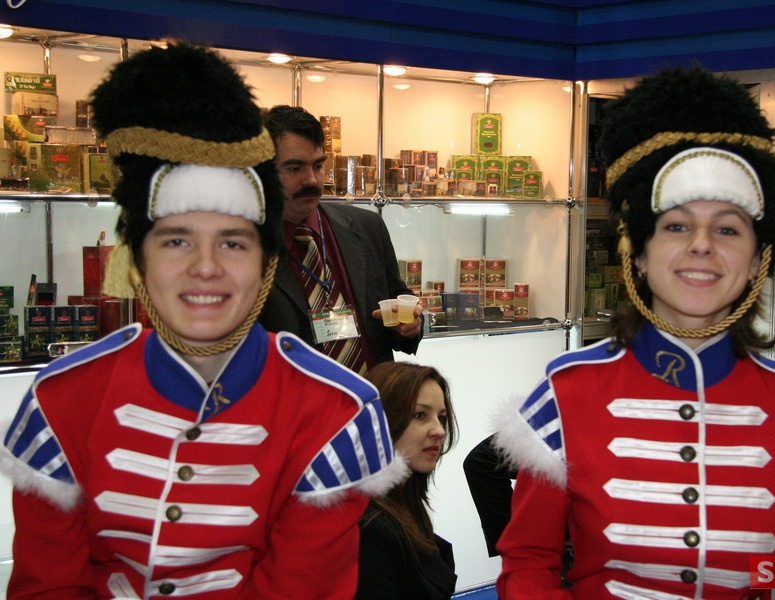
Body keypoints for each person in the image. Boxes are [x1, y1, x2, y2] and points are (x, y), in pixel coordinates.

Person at [0, 44, 405, 599]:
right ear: (137, 261)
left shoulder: (337, 415)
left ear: (266, 263)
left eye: (233, 242)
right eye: (176, 241)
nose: (206, 268)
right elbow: (46, 586)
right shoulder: (61, 400)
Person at [492, 66, 775, 599]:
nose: (701, 245)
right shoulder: (567, 392)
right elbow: (529, 563)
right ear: (638, 253)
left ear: (758, 260)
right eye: (676, 225)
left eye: (728, 229)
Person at [258, 105, 423, 375]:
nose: (311, 180)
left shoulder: (366, 226)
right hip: (296, 397)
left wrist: (409, 325)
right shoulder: (244, 247)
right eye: (295, 168)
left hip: (372, 394)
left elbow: (397, 298)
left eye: (318, 166)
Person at [356, 361, 459, 600]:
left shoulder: (403, 505)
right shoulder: (371, 529)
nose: (439, 431)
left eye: (441, 417)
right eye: (420, 415)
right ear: (381, 422)